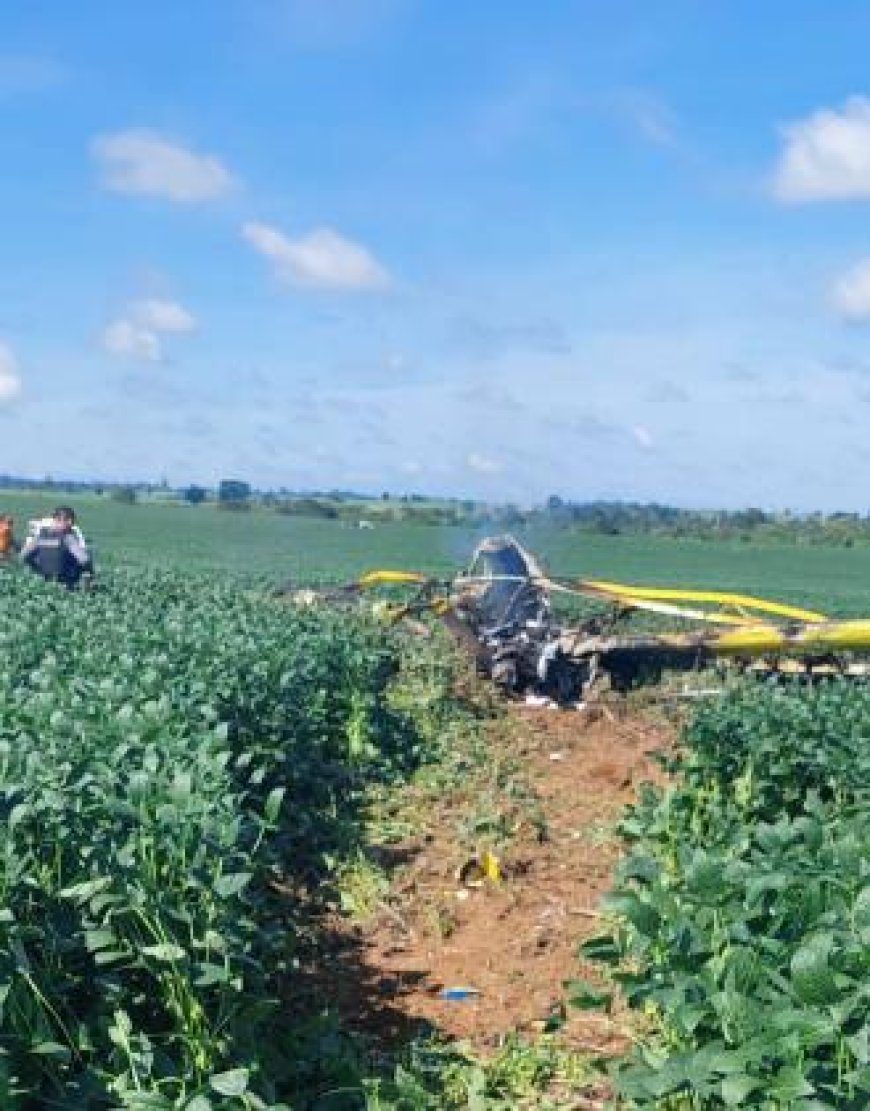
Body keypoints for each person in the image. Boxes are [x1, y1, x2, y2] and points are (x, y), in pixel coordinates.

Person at [21, 506, 93, 589]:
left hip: (44, 577)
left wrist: (37, 569)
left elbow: (24, 556)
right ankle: (86, 588)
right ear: (69, 521)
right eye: (72, 521)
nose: (72, 525)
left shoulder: (40, 536)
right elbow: (84, 560)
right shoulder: (67, 538)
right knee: (87, 561)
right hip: (66, 578)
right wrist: (89, 570)